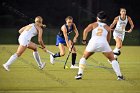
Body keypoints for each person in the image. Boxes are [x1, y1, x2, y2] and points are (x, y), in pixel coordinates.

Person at [75, 11, 124, 80]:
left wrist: (84, 40)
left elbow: (85, 31)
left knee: (84, 57)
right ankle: (120, 76)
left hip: (92, 43)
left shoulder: (93, 24)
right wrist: (105, 47)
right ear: (104, 19)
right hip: (103, 43)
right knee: (112, 59)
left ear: (97, 18)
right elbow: (108, 40)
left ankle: (79, 74)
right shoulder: (107, 27)